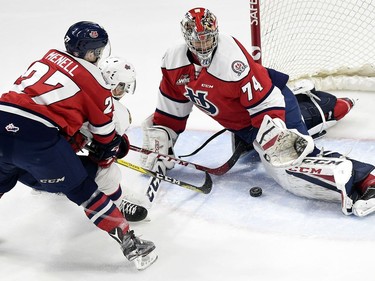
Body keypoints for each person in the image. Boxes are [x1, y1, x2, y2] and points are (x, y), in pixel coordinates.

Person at [140, 7, 375, 217]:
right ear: (187, 38)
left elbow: (267, 101)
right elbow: (171, 111)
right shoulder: (174, 63)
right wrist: (163, 140)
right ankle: (320, 106)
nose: (205, 45)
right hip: (243, 125)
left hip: (269, 108)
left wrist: (274, 139)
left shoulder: (231, 60)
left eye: (209, 38)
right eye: (199, 40)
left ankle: (365, 178)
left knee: (287, 168)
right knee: (258, 151)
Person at [0, 21, 157, 270]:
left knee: (6, 173)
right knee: (84, 188)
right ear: (93, 52)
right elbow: (105, 139)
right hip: (37, 138)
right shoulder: (95, 82)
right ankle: (131, 244)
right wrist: (110, 148)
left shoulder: (46, 58)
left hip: (2, 119)